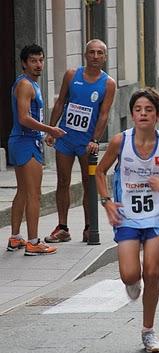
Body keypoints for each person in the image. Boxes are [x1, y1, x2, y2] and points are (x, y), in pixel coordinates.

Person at [96, 88, 159, 353]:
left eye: (149, 110)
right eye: (138, 110)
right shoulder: (119, 142)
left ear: (158, 115)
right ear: (133, 115)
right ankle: (132, 280)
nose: (143, 114)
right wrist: (106, 201)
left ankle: (148, 331)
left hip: (156, 216)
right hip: (126, 216)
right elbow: (100, 171)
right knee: (130, 275)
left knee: (153, 272)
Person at [44, 39, 116, 244]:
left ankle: (89, 227)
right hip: (65, 138)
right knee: (63, 182)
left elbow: (103, 114)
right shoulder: (71, 74)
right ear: (85, 55)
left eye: (99, 53)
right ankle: (63, 227)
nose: (95, 56)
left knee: (88, 183)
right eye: (91, 52)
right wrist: (51, 129)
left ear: (104, 57)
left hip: (87, 143)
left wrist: (95, 139)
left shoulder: (108, 83)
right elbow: (60, 102)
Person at [7, 44, 65, 255]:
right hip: (25, 141)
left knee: (22, 191)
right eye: (33, 60)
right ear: (24, 63)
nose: (38, 64)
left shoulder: (30, 84)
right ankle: (33, 242)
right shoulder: (25, 85)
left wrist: (43, 134)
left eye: (40, 60)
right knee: (34, 195)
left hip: (25, 140)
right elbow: (24, 118)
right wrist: (50, 129)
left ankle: (15, 238)